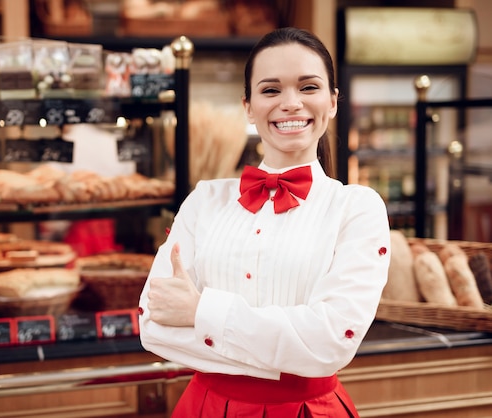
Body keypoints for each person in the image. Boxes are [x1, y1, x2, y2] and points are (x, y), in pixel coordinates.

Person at [138, 27, 391, 417]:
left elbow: (330, 343)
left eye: (308, 87)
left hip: (307, 409)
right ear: (248, 106)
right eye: (271, 90)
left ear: (333, 101)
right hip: (206, 406)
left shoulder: (357, 208)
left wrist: (200, 312)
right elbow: (153, 324)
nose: (291, 103)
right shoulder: (205, 199)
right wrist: (288, 347)